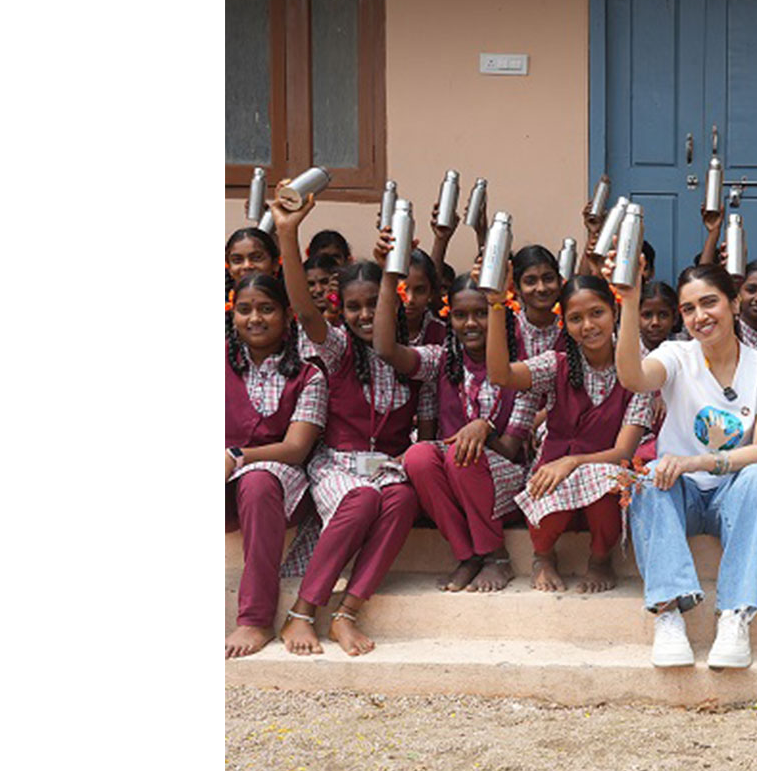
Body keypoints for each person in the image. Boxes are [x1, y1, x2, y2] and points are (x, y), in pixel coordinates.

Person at [612, 261, 757, 669]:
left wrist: (698, 460)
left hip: (733, 494)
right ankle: (669, 611)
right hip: (682, 494)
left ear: (733, 303)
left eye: (709, 303)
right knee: (647, 478)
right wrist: (629, 300)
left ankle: (734, 615)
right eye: (689, 309)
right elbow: (633, 378)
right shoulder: (676, 354)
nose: (699, 317)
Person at [273, 190, 425, 656]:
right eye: (354, 306)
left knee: (401, 498)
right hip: (338, 465)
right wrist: (287, 229)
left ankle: (347, 612)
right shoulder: (336, 349)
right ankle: (301, 612)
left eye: (372, 304)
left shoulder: (411, 358)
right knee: (360, 500)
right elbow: (303, 310)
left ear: (391, 304)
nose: (363, 315)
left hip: (388, 468)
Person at [486, 273, 654, 593]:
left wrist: (572, 461)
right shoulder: (556, 364)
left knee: (608, 477)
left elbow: (623, 453)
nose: (588, 325)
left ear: (615, 312)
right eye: (575, 318)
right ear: (564, 324)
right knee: (545, 479)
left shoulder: (637, 372)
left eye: (597, 313)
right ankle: (544, 557)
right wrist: (496, 305)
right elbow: (501, 374)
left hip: (600, 490)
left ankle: (601, 559)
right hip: (556, 486)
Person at [378, 274, 531, 593]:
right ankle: (468, 555)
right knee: (419, 456)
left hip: (507, 483)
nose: (470, 323)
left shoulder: (522, 368)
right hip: (456, 472)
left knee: (463, 454)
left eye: (481, 313)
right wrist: (390, 280)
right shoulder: (442, 360)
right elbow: (388, 350)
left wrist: (484, 429)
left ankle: (496, 556)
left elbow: (510, 450)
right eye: (461, 315)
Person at [225, 272, 326, 658]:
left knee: (258, 482)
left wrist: (237, 457)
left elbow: (296, 448)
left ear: (287, 316)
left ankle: (255, 618)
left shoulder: (308, 373)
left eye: (267, 309)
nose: (255, 319)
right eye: (244, 310)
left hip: (279, 484)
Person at [510, 245, 567, 358]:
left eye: (548, 279)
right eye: (530, 281)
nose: (541, 288)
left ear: (560, 281)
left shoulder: (571, 326)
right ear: (516, 288)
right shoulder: (508, 328)